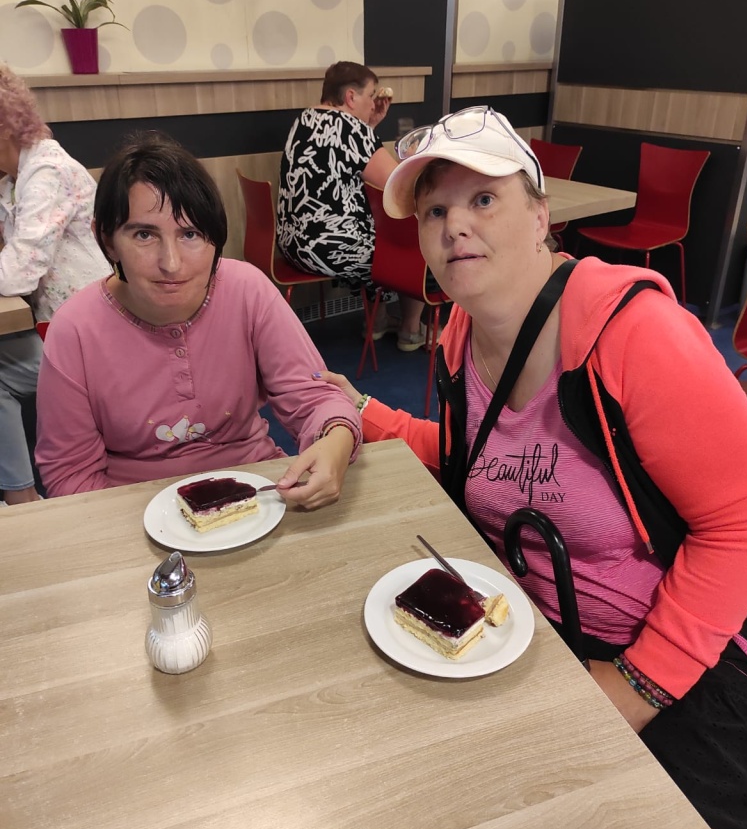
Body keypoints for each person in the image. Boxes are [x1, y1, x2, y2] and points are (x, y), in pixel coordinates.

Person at [321, 106, 747, 829]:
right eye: (434, 211)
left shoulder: (635, 334)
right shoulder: (459, 338)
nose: (454, 225)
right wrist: (362, 412)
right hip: (529, 646)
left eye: (482, 199)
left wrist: (634, 688)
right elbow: (478, 462)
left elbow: (746, 521)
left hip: (666, 667)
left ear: (540, 216)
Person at [35, 132, 361, 510]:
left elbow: (315, 399)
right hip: (133, 512)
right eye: (144, 234)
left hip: (257, 494)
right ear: (107, 240)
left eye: (190, 234)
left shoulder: (247, 290)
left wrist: (336, 438)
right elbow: (70, 473)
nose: (171, 264)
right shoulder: (75, 330)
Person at [0, 63, 108, 505]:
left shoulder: (47, 173)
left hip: (99, 337)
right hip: (61, 326)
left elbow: (18, 272)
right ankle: (20, 491)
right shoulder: (14, 180)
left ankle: (21, 498)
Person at [277, 60, 427, 350]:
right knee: (411, 241)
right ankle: (410, 331)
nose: (374, 103)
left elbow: (344, 157)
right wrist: (410, 159)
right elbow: (397, 186)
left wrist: (370, 125)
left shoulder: (304, 120)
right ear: (350, 97)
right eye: (371, 95)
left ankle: (378, 323)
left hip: (293, 245)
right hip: (330, 249)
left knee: (372, 231)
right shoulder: (352, 129)